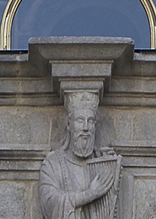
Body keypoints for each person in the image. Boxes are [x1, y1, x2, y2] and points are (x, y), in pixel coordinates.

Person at [39, 91, 121, 219]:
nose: (85, 127)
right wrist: (89, 194)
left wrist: (111, 169)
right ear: (69, 125)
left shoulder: (101, 160)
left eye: (91, 121)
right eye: (80, 120)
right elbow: (49, 202)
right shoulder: (53, 164)